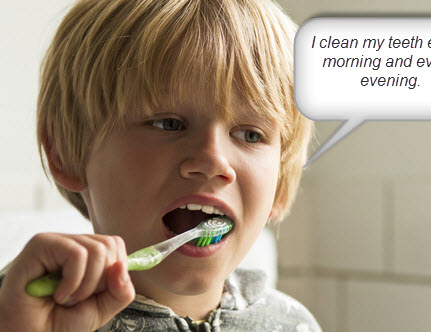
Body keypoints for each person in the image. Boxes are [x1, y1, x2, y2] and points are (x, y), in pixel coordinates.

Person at [0, 0, 320, 330]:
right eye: (169, 123)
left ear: (280, 183)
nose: (213, 160)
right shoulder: (20, 309)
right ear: (64, 151)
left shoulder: (292, 324)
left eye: (250, 135)